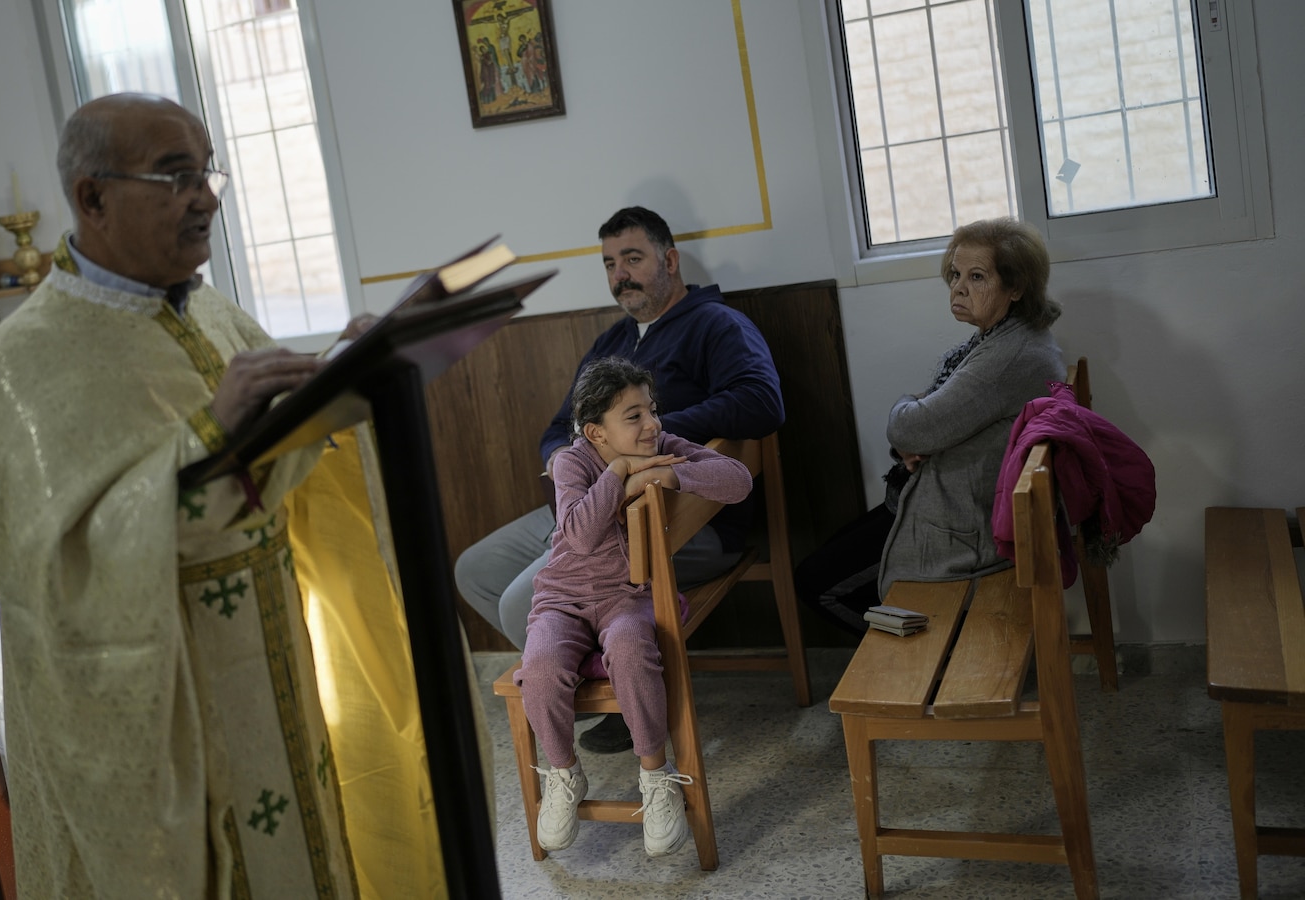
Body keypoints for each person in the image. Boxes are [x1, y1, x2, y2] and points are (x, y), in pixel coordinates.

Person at [0, 93, 378, 899]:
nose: (207, 198)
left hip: (269, 657)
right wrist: (206, 434)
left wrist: (338, 378)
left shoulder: (214, 311)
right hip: (170, 689)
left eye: (207, 172)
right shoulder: (25, 361)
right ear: (92, 197)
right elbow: (63, 571)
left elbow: (270, 462)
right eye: (175, 176)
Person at [453, 205, 782, 754]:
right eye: (609, 263)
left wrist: (650, 434)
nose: (619, 274)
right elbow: (562, 427)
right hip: (589, 505)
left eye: (633, 258)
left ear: (670, 260)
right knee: (476, 569)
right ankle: (606, 675)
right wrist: (570, 466)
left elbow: (761, 402)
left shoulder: (717, 325)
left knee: (518, 605)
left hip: (675, 519)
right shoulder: (612, 342)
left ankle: (624, 692)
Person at [514, 357, 752, 858]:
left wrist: (672, 479)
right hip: (563, 597)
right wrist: (621, 474)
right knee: (539, 667)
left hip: (628, 597)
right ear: (597, 433)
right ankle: (562, 774)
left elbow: (737, 480)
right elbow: (578, 535)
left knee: (629, 646)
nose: (654, 425)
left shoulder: (662, 447)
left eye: (652, 410)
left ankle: (656, 774)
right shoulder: (572, 462)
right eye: (634, 416)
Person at [794, 217, 1065, 635]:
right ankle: (917, 648)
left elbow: (911, 428)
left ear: (1016, 287)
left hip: (958, 526)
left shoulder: (1010, 356)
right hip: (939, 499)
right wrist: (914, 425)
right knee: (826, 557)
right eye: (955, 274)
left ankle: (918, 654)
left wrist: (907, 413)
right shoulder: (1002, 338)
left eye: (977, 277)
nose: (958, 287)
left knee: (817, 583)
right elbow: (926, 420)